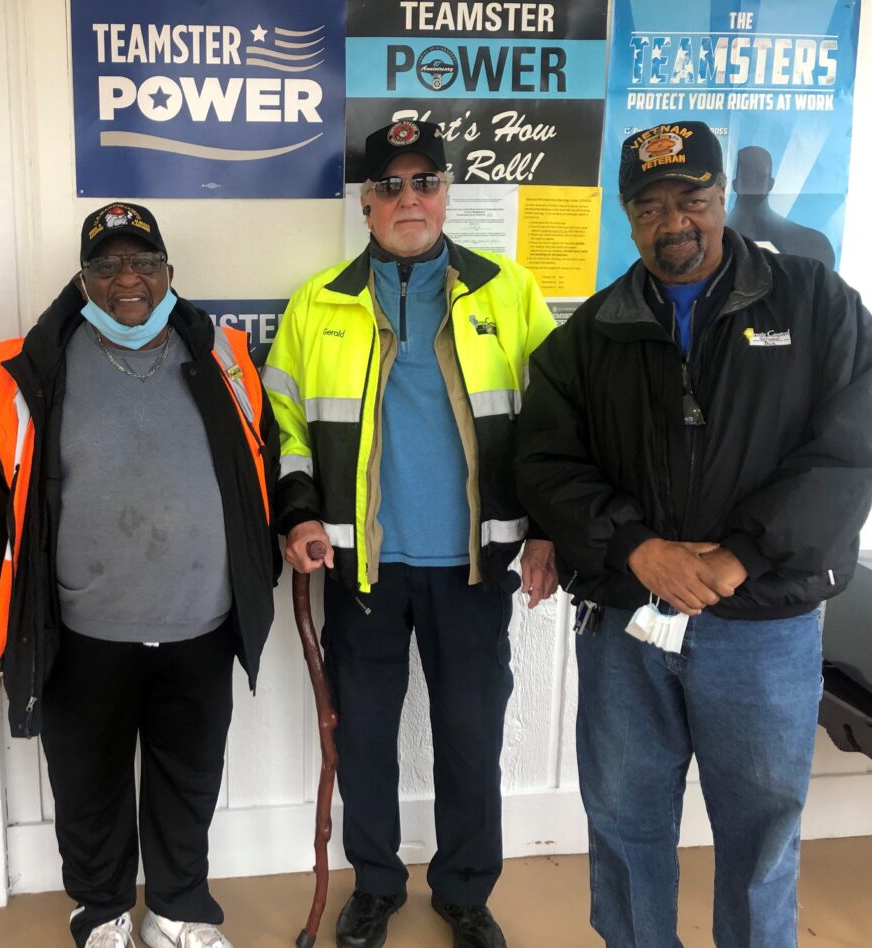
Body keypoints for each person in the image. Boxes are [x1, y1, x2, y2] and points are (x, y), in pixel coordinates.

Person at [515, 120, 872, 946]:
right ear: (627, 216)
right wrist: (639, 547)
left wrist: (740, 556)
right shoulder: (589, 335)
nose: (673, 221)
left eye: (692, 198)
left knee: (760, 835)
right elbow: (545, 464)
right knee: (624, 823)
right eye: (649, 205)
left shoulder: (816, 305)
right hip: (626, 627)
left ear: (724, 198)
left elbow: (849, 453)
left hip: (764, 627)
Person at [263, 121, 558, 948]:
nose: (409, 198)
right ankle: (378, 886)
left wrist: (548, 531)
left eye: (424, 180)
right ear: (364, 202)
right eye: (390, 185)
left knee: (471, 738)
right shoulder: (317, 302)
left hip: (474, 564)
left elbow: (558, 428)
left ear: (446, 191)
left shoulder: (509, 292)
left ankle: (465, 891)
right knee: (363, 741)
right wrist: (297, 512)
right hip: (361, 568)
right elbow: (283, 421)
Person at [0, 203, 279, 948]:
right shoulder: (23, 367)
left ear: (169, 272)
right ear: (83, 279)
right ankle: (100, 911)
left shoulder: (224, 355)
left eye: (144, 263)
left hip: (201, 620)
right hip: (81, 631)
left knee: (189, 778)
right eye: (106, 266)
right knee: (87, 785)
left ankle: (179, 911)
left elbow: (256, 467)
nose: (127, 279)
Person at [727, 144, 835, 268]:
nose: (753, 184)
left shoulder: (814, 245)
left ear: (771, 184)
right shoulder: (713, 238)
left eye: (759, 177)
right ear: (735, 184)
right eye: (747, 177)